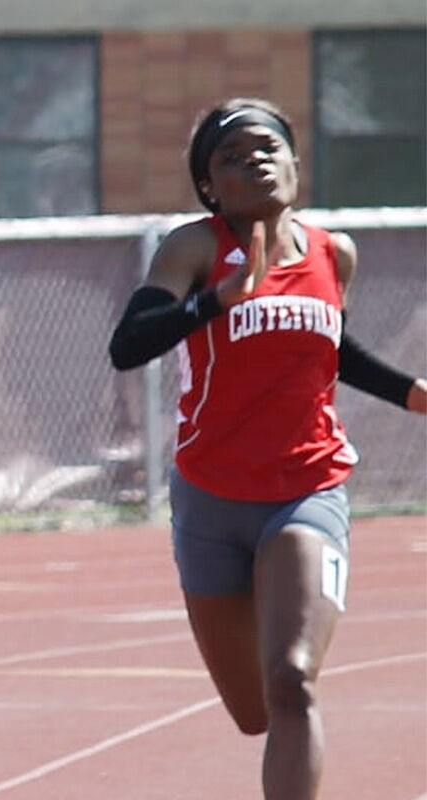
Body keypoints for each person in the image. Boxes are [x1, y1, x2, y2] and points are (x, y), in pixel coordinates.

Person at [108, 97, 427, 800]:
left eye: (268, 147)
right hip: (210, 498)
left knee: (291, 682)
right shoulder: (193, 247)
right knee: (253, 711)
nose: (253, 159)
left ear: (294, 164)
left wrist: (414, 394)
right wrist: (216, 300)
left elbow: (331, 352)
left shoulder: (332, 252)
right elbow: (127, 346)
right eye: (230, 155)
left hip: (305, 489)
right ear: (208, 188)